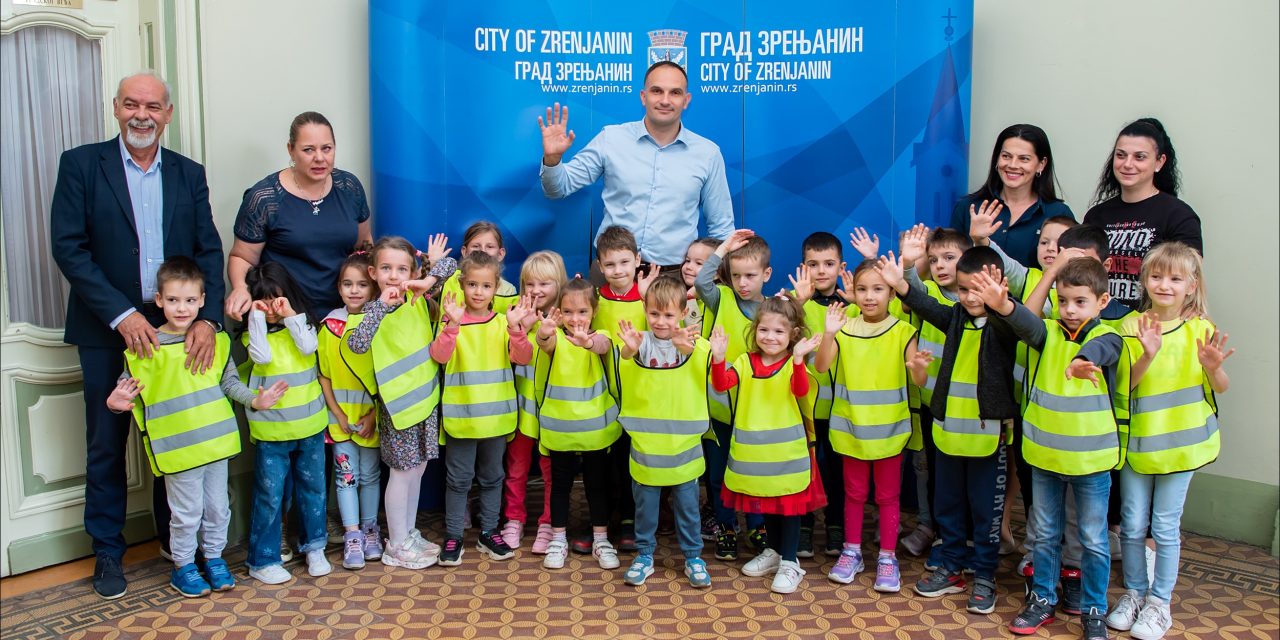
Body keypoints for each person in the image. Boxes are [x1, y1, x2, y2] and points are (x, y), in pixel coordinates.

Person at [50, 70, 225, 600]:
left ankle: (178, 549)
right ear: (116, 108)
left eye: (152, 106)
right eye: (131, 105)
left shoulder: (188, 173)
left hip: (178, 330)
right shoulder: (81, 165)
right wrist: (123, 315)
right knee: (107, 444)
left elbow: (209, 252)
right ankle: (107, 551)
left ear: (168, 114)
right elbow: (69, 248)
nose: (141, 115)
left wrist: (208, 320)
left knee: (180, 439)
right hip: (109, 331)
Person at [106, 257, 278, 598]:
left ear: (202, 300)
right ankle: (183, 565)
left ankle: (213, 558)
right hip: (178, 450)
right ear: (159, 301)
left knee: (218, 507)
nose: (181, 308)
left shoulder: (215, 341)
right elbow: (125, 389)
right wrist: (116, 401)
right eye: (172, 300)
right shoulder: (144, 348)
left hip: (215, 444)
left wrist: (255, 401)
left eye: (189, 300)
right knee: (186, 514)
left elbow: (229, 384)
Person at [971, 259, 1123, 640]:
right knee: (1046, 533)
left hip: (1090, 464)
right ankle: (1041, 599)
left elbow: (1103, 348)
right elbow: (1024, 322)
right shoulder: (1048, 333)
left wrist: (1083, 361)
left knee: (1092, 538)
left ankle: (1093, 609)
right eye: (1064, 300)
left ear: (1102, 301)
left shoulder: (1109, 336)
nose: (1070, 309)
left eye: (1080, 302)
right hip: (1044, 458)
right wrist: (1002, 305)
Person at [878, 246, 1020, 617]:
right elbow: (931, 308)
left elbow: (1029, 327)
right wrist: (903, 284)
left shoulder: (1006, 324)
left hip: (988, 438)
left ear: (1000, 286)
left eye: (979, 289)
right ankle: (952, 566)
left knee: (985, 510)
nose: (971, 298)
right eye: (964, 290)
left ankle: (985, 575)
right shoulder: (957, 315)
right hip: (949, 432)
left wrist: (1003, 306)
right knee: (948, 503)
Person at [1106, 243, 1231, 640]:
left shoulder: (1202, 330)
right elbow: (1124, 384)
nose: (1165, 285)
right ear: (1144, 279)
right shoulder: (1129, 326)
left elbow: (1221, 388)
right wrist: (1145, 354)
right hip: (1138, 447)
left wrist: (1213, 369)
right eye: (1157, 276)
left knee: (1164, 526)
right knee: (1131, 525)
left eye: (1175, 278)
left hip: (1182, 448)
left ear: (1191, 286)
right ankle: (1134, 594)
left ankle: (1160, 603)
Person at [538, 61, 735, 273]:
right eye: (657, 91)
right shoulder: (611, 138)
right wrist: (553, 160)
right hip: (611, 273)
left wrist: (714, 281)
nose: (665, 100)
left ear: (686, 101)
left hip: (674, 280)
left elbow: (721, 227)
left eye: (675, 93)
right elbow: (557, 189)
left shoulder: (708, 153)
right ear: (643, 97)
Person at [814, 263, 931, 593]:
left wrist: (919, 369)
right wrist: (828, 334)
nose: (869, 296)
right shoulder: (845, 328)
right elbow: (822, 367)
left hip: (890, 434)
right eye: (863, 289)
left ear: (892, 294)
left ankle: (887, 557)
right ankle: (852, 551)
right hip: (851, 430)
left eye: (878, 289)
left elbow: (917, 380)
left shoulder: (903, 331)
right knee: (853, 494)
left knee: (888, 496)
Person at [346, 235, 456, 570]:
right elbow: (357, 345)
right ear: (373, 272)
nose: (394, 275)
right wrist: (381, 306)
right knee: (402, 472)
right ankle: (395, 544)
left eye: (402, 268)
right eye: (387, 268)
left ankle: (408, 533)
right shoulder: (371, 311)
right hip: (397, 407)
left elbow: (452, 266)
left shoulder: (420, 296)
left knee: (418, 469)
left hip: (425, 400)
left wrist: (428, 277)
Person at [711, 296, 826, 595]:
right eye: (764, 330)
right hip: (754, 455)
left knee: (788, 508)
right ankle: (773, 552)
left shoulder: (791, 363)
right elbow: (722, 384)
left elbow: (800, 390)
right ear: (755, 330)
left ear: (793, 335)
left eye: (778, 332)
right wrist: (718, 357)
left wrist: (799, 360)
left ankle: (790, 562)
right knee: (769, 505)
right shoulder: (745, 361)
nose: (770, 337)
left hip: (786, 454)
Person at [431, 253, 537, 566]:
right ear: (462, 286)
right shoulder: (452, 322)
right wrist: (451, 325)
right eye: (473, 284)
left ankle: (489, 531)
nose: (478, 291)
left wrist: (517, 331)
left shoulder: (504, 322)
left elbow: (524, 356)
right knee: (458, 480)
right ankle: (453, 535)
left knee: (492, 477)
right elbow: (439, 355)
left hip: (496, 420)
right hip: (462, 419)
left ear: (496, 289)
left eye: (486, 285)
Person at [226, 111, 372, 321]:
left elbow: (364, 246)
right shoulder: (265, 198)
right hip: (286, 315)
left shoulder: (349, 187)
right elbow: (242, 257)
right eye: (308, 150)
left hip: (344, 314)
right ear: (291, 150)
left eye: (326, 148)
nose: (319, 158)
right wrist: (240, 288)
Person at [615, 276, 713, 587]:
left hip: (684, 448)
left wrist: (689, 351)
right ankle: (644, 555)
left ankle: (693, 556)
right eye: (654, 313)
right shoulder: (638, 342)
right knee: (645, 507)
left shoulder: (695, 343)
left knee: (688, 508)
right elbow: (626, 363)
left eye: (669, 315)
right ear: (644, 309)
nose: (660, 321)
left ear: (684, 312)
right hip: (647, 447)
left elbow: (707, 368)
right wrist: (629, 352)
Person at [240, 262, 330, 585]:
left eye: (276, 299)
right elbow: (261, 357)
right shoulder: (253, 335)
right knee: (270, 494)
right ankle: (262, 559)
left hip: (310, 427)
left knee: (313, 490)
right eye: (265, 301)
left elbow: (308, 347)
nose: (273, 309)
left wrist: (290, 313)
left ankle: (315, 547)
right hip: (272, 431)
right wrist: (256, 316)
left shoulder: (302, 325)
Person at [695, 230, 774, 560]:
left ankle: (757, 526)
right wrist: (724, 249)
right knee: (718, 475)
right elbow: (701, 283)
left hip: (756, 415)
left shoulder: (775, 311)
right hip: (719, 412)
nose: (742, 283)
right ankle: (726, 526)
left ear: (766, 275)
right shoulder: (721, 297)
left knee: (753, 474)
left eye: (751, 276)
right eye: (736, 275)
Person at [535, 278, 622, 571]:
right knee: (560, 486)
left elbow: (602, 345)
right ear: (559, 311)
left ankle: (601, 539)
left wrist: (587, 342)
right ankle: (558, 539)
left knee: (596, 485)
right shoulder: (556, 337)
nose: (575, 319)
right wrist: (545, 333)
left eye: (582, 312)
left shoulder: (601, 335)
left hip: (594, 431)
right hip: (561, 430)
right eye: (568, 312)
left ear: (594, 311)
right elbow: (544, 343)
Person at [1082, 118, 1203, 310]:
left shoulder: (1179, 216)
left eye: (1140, 157)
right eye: (1121, 155)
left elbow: (1188, 284)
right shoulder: (1096, 216)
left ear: (1159, 162)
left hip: (1151, 329)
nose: (1127, 164)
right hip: (1100, 328)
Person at [316, 249, 382, 570]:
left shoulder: (380, 323)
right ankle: (352, 535)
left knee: (370, 476)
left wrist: (373, 415)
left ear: (373, 288)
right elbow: (324, 376)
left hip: (371, 419)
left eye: (361, 285)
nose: (354, 290)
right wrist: (338, 415)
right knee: (346, 478)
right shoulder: (329, 325)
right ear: (339, 287)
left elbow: (386, 376)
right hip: (340, 419)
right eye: (347, 284)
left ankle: (371, 530)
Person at [792, 231, 851, 558]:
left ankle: (835, 524)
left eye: (829, 264)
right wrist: (797, 303)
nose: (821, 271)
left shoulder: (854, 304)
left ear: (841, 266)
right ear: (803, 267)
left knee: (836, 470)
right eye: (813, 264)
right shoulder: (793, 299)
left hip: (842, 408)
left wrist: (854, 302)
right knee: (806, 467)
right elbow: (775, 328)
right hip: (805, 407)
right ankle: (802, 525)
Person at [503, 251, 565, 552]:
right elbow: (519, 357)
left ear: (560, 283)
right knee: (517, 468)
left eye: (545, 283)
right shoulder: (516, 315)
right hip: (523, 408)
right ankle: (514, 519)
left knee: (551, 470)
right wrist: (519, 328)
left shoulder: (567, 317)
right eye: (530, 283)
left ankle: (548, 523)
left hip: (553, 411)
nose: (536, 290)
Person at [950, 124, 1074, 268]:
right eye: (1006, 156)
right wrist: (975, 242)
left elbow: (1070, 271)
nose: (1013, 165)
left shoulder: (1058, 213)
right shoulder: (968, 208)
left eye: (1024, 159)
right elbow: (950, 267)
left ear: (1041, 164)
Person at [439, 221, 520, 314]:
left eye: (489, 246)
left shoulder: (508, 290)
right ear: (464, 252)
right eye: (476, 246)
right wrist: (432, 263)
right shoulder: (447, 279)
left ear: (500, 254)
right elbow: (423, 292)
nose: (482, 251)